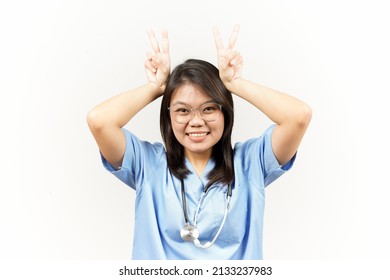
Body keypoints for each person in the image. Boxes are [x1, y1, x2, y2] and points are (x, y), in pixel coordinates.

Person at [86, 25, 312, 260]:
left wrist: (235, 84)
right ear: (169, 115)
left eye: (209, 108)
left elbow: (298, 116)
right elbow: (100, 121)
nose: (196, 121)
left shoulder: (251, 163)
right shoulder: (148, 164)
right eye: (183, 110)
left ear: (226, 113)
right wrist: (156, 88)